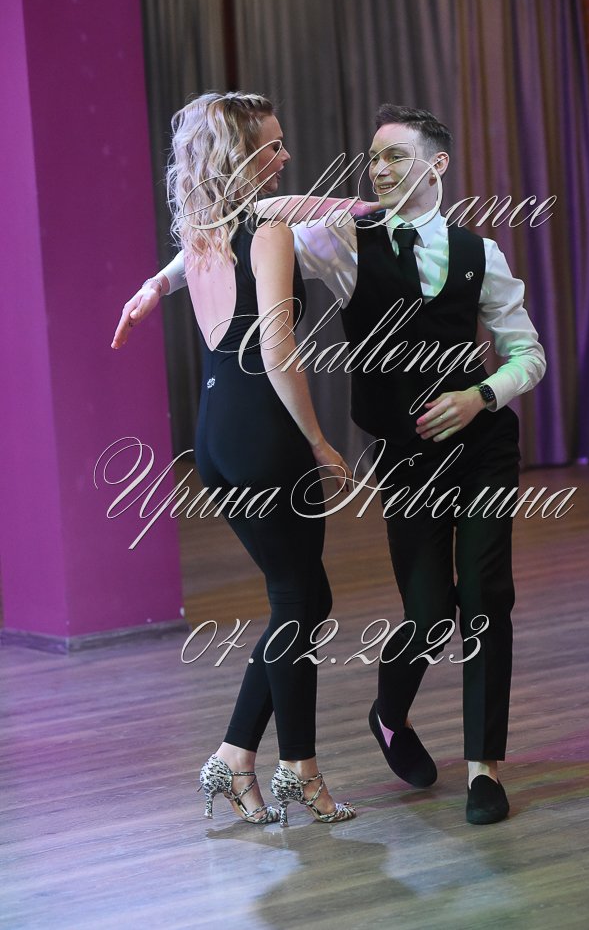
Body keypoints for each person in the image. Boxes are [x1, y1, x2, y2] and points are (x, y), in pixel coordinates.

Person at [119, 102, 546, 825]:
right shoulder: (340, 239)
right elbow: (241, 241)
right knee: (410, 612)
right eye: (372, 157)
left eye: (395, 156)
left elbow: (527, 353)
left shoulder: (480, 252)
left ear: (437, 166)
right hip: (389, 453)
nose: (377, 169)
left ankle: (482, 769)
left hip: (478, 446)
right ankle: (361, 730)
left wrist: (481, 396)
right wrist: (160, 284)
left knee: (480, 597)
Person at [113, 91, 357, 827]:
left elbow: (307, 208)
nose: (286, 156)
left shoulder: (204, 232)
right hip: (265, 433)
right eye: (272, 147)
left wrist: (153, 284)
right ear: (240, 159)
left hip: (218, 434)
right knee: (297, 600)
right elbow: (279, 351)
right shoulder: (268, 231)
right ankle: (300, 773)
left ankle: (233, 758)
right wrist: (318, 440)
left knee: (304, 598)